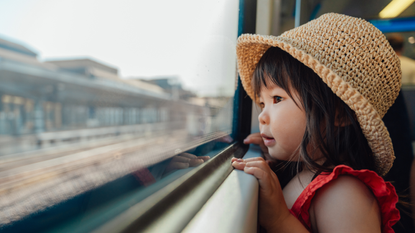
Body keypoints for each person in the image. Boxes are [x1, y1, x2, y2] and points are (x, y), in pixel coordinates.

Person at [232, 13, 401, 232]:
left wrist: (279, 220)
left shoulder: (344, 193)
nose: (261, 116)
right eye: (262, 103)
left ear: (338, 114)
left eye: (277, 99)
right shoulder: (305, 173)